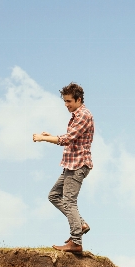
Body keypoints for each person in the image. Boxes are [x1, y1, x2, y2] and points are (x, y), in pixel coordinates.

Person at [33, 82, 94, 253]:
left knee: (69, 201)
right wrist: (50, 135)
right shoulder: (77, 114)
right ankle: (80, 224)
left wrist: (44, 138)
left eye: (69, 101)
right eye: (65, 102)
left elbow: (68, 139)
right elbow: (69, 137)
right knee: (53, 195)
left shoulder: (83, 115)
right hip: (71, 164)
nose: (66, 105)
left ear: (78, 99)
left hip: (78, 165)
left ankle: (76, 242)